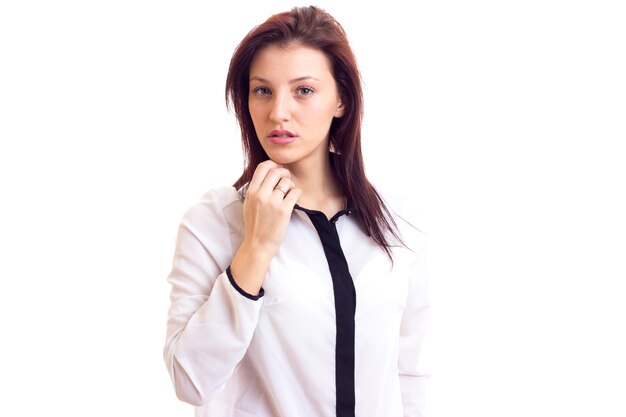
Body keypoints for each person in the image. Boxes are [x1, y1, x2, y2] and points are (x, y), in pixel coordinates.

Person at [163, 5, 430, 417]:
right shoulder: (214, 221)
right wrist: (257, 247)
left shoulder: (396, 222)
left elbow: (411, 375)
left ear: (340, 100)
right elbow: (190, 380)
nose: (278, 112)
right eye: (262, 90)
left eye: (303, 90)